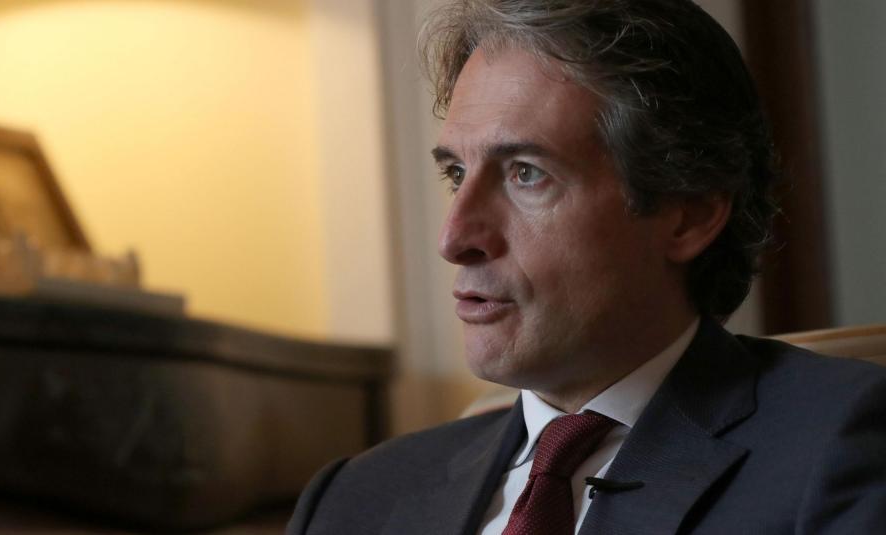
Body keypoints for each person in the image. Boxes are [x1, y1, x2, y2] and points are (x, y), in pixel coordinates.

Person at [287, 1, 886, 533]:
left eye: (526, 173)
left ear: (688, 215)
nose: (454, 239)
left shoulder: (845, 445)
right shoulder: (355, 498)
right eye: (456, 174)